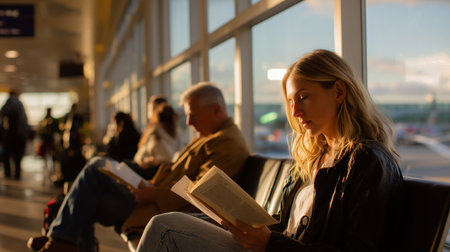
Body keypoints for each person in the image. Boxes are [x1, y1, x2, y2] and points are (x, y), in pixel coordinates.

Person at [135, 49, 404, 252]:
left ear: (338, 91)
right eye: (290, 101)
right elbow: (294, 226)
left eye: (303, 97)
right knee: (176, 222)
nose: (295, 112)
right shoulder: (316, 155)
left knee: (165, 227)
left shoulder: (367, 162)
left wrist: (269, 243)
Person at [27, 82, 249, 252]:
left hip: (162, 206)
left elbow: (203, 191)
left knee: (95, 170)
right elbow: (183, 171)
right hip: (156, 195)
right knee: (94, 183)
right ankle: (64, 240)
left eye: (193, 115)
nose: (189, 122)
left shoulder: (226, 142)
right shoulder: (212, 136)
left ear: (217, 110)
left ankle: (62, 240)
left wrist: (154, 193)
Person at [0, 89, 30, 179]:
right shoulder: (20, 105)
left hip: (10, 134)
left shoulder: (8, 103)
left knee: (7, 155)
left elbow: (2, 114)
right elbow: (25, 120)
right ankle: (17, 174)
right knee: (18, 156)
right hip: (20, 135)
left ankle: (8, 173)